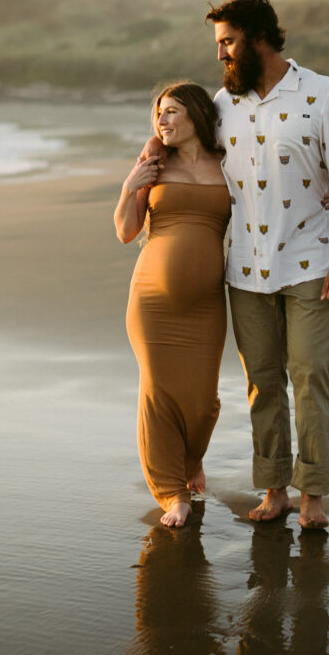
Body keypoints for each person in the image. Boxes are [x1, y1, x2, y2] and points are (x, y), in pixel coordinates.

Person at [207, 0, 329, 529]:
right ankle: (274, 490)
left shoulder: (322, 93)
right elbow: (189, 154)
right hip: (244, 269)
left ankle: (313, 495)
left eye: (228, 42)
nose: (222, 54)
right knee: (263, 381)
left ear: (257, 37)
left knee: (311, 374)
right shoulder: (222, 104)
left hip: (312, 262)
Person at [114, 82, 230, 528]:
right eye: (158, 113)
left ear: (197, 116)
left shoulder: (229, 164)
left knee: (203, 401)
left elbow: (267, 208)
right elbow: (126, 231)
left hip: (206, 304)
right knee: (159, 395)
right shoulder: (155, 163)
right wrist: (131, 186)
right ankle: (172, 493)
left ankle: (190, 462)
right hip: (151, 301)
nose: (161, 121)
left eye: (172, 112)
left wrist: (321, 200)